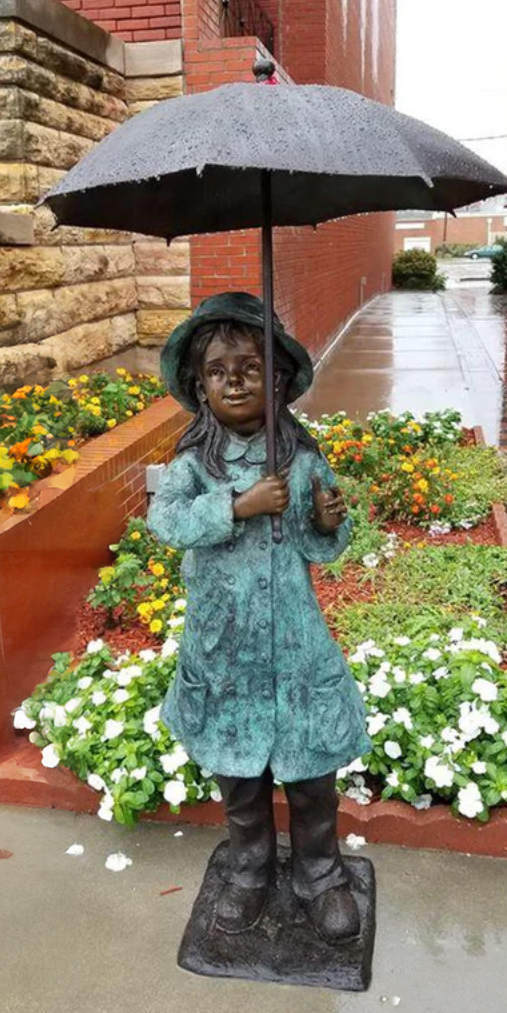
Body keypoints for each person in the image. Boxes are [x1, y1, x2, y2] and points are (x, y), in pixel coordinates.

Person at [147, 292, 370, 943]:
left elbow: (321, 543)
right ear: (200, 387)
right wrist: (237, 507)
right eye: (220, 371)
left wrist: (327, 518)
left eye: (252, 368)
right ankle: (248, 872)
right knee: (240, 778)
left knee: (310, 776)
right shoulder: (193, 467)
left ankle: (320, 874)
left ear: (278, 382)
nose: (237, 380)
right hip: (226, 650)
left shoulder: (298, 461)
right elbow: (167, 523)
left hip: (296, 648)